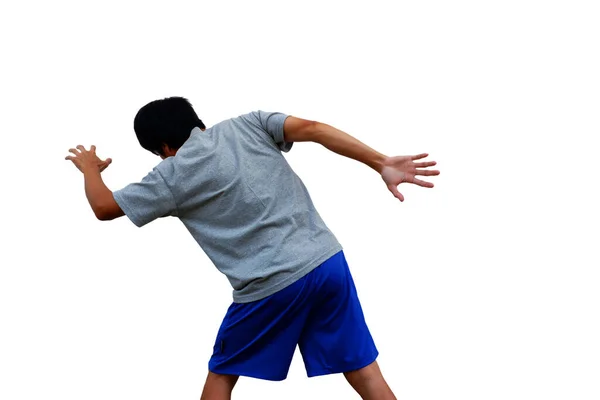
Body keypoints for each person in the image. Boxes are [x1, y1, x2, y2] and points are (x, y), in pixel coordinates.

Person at [65, 97, 439, 400]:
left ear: (163, 148)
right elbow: (313, 129)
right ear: (198, 122)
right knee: (362, 369)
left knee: (223, 373)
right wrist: (379, 162)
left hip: (270, 287)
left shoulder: (170, 175)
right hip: (327, 264)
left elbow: (104, 208)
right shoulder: (249, 123)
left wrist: (90, 170)